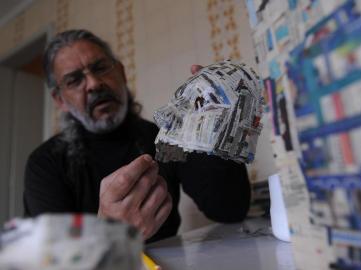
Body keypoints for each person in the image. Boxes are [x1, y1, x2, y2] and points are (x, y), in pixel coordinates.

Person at [23, 29, 251, 242]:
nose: (93, 84)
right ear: (60, 100)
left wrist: (214, 133)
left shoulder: (164, 137)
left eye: (101, 67)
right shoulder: (45, 164)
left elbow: (231, 210)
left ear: (121, 72)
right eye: (74, 80)